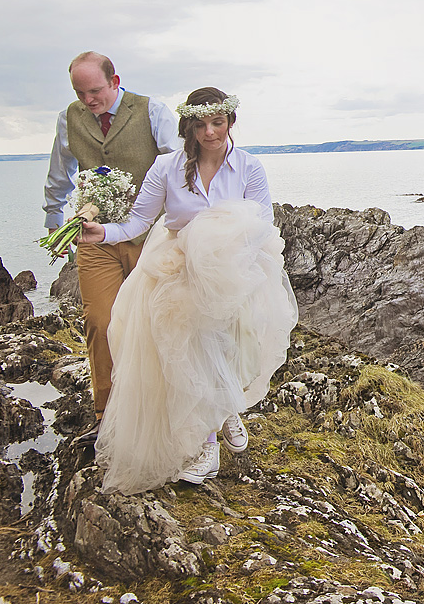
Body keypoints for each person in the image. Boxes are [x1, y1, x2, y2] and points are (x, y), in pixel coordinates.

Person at [78, 87, 298, 491]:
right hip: (176, 263)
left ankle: (225, 404)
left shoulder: (249, 167)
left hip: (236, 266)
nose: (210, 133)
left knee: (224, 339)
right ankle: (206, 444)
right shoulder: (166, 168)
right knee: (187, 338)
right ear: (189, 127)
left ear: (230, 122)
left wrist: (224, 268)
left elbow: (263, 223)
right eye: (201, 125)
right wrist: (102, 232)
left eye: (218, 123)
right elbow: (137, 222)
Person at [43, 51, 179, 440]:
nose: (88, 100)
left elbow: (178, 165)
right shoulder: (68, 119)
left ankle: (161, 413)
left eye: (95, 90)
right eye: (80, 92)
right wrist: (54, 219)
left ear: (115, 81)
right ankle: (106, 418)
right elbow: (60, 172)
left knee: (157, 325)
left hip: (152, 238)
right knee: (100, 323)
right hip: (95, 238)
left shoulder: (153, 112)